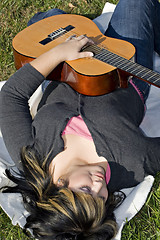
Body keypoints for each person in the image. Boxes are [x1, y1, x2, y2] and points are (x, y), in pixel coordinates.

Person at [0, 0, 160, 239]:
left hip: (65, 69)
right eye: (101, 199)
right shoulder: (132, 162)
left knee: (47, 22)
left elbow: (11, 96)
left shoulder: (33, 158)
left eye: (86, 189)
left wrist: (59, 53)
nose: (99, 186)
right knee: (136, 3)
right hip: (125, 71)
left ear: (59, 185)